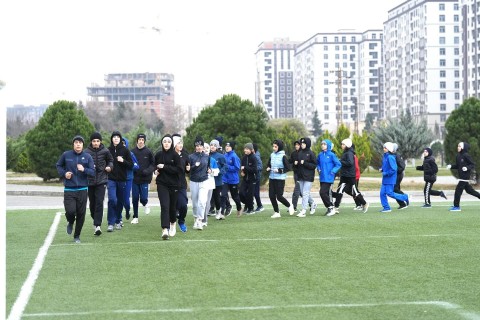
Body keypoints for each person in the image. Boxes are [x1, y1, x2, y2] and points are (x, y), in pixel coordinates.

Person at [56, 135, 95, 243]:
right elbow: (58, 165)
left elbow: (92, 172)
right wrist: (65, 174)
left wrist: (84, 169)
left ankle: (77, 236)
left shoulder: (88, 157)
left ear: (83, 145)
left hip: (82, 189)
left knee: (81, 214)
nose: (78, 144)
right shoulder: (66, 155)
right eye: (76, 142)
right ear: (73, 144)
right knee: (70, 211)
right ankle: (70, 221)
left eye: (80, 143)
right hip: (69, 189)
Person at [85, 132, 114, 236]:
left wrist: (109, 167)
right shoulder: (86, 152)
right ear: (91, 142)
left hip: (102, 180)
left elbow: (111, 161)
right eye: (94, 141)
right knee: (92, 204)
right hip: (90, 181)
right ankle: (95, 218)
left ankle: (98, 225)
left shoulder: (105, 151)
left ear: (100, 141)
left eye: (97, 141)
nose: (96, 143)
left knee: (99, 202)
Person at [154, 134, 183, 240]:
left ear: (171, 144)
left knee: (172, 207)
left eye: (168, 142)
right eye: (164, 141)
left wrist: (165, 167)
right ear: (162, 143)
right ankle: (165, 229)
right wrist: (155, 171)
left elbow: (179, 170)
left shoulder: (175, 155)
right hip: (162, 184)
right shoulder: (158, 155)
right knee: (164, 206)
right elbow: (153, 166)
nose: (166, 143)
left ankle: (173, 223)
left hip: (174, 184)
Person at [332, 138, 369, 215]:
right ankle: (336, 207)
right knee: (340, 190)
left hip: (349, 176)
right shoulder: (347, 152)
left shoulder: (349, 153)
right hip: (346, 175)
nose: (341, 145)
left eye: (343, 144)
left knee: (354, 191)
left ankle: (364, 203)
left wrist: (340, 161)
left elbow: (350, 163)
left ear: (347, 145)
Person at [106, 131, 134, 232]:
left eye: (118, 137)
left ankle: (118, 221)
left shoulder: (125, 150)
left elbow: (131, 165)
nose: (116, 139)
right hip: (111, 179)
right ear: (112, 139)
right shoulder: (108, 150)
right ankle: (110, 223)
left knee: (120, 201)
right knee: (112, 200)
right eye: (114, 137)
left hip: (122, 179)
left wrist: (123, 161)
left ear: (120, 139)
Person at [446, 142, 480, 211]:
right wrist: (451, 166)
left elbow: (472, 164)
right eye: (458, 146)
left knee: (458, 191)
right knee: (470, 191)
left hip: (464, 177)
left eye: (459, 146)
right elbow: (458, 166)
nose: (458, 147)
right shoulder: (458, 156)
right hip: (461, 177)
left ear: (463, 148)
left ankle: (456, 207)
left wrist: (467, 168)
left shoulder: (466, 155)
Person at [131, 133, 155, 224]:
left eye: (142, 140)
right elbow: (129, 163)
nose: (141, 141)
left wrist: (147, 171)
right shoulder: (132, 152)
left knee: (143, 198)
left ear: (144, 141)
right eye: (139, 139)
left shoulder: (148, 152)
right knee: (135, 198)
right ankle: (135, 217)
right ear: (137, 140)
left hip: (144, 179)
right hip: (134, 179)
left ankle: (145, 204)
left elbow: (153, 164)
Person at [188, 136, 211, 229]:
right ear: (195, 147)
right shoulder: (190, 157)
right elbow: (188, 170)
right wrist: (194, 166)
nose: (199, 147)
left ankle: (200, 220)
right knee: (195, 203)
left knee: (202, 202)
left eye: (200, 145)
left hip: (204, 181)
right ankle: (195, 218)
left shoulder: (207, 156)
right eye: (197, 146)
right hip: (194, 181)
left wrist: (209, 170)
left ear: (203, 146)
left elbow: (208, 167)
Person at [267, 139, 294, 218]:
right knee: (271, 196)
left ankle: (289, 206)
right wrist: (268, 167)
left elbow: (288, 167)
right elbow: (269, 164)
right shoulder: (272, 155)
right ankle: (277, 212)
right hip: (272, 178)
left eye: (275, 147)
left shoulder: (283, 156)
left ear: (279, 147)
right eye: (273, 146)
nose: (273, 148)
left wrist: (279, 170)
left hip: (280, 179)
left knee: (279, 197)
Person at [379, 142, 410, 213]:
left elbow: (394, 169)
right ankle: (386, 208)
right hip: (385, 179)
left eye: (385, 148)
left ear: (389, 149)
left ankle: (405, 197)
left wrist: (385, 173)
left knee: (389, 193)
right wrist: (382, 169)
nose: (383, 149)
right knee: (382, 193)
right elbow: (386, 167)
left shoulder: (390, 157)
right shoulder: (385, 156)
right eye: (384, 147)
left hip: (390, 179)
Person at [316, 139, 342, 216]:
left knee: (322, 193)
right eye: (322, 144)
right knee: (326, 193)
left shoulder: (331, 155)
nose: (322, 145)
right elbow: (317, 163)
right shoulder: (320, 155)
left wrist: (333, 171)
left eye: (324, 144)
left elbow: (338, 164)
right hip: (322, 177)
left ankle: (330, 207)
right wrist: (319, 168)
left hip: (329, 178)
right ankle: (330, 208)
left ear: (328, 145)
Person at [218, 141, 243, 219]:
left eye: (229, 146)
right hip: (225, 179)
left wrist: (227, 167)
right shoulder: (224, 155)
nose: (227, 147)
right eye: (226, 146)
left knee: (235, 196)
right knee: (223, 195)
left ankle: (239, 208)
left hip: (233, 180)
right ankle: (221, 213)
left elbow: (237, 168)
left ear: (232, 147)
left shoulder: (234, 156)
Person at [289, 140, 316, 214]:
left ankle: (303, 210)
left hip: (308, 176)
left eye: (304, 143)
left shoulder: (311, 153)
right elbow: (297, 164)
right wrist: (295, 163)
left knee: (305, 193)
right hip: (300, 176)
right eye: (302, 143)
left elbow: (314, 165)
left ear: (307, 144)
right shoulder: (300, 153)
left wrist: (305, 163)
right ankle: (313, 203)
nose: (302, 144)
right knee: (302, 192)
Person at [173, 134, 189, 232]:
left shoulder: (185, 155)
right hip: (170, 184)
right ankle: (172, 223)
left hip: (181, 184)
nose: (181, 145)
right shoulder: (169, 155)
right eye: (178, 143)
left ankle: (181, 221)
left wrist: (188, 169)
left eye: (181, 143)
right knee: (172, 207)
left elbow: (187, 169)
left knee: (183, 205)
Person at [122, 137, 139, 222]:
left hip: (128, 178)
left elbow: (136, 166)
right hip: (117, 179)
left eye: (124, 143)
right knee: (117, 198)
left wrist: (128, 165)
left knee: (126, 199)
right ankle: (118, 219)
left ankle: (128, 210)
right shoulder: (114, 154)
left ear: (126, 144)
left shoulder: (130, 154)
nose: (122, 145)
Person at [202, 143, 219, 226]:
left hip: (209, 183)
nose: (206, 149)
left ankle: (204, 219)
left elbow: (217, 171)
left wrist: (211, 171)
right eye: (204, 148)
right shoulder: (198, 158)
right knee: (200, 202)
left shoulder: (212, 160)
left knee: (207, 202)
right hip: (200, 183)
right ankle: (199, 217)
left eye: (207, 148)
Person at [209, 139, 226, 218]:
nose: (212, 147)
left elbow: (225, 166)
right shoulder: (206, 155)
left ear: (217, 147)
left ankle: (219, 211)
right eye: (211, 145)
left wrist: (219, 172)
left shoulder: (220, 156)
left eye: (214, 145)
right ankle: (207, 210)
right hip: (207, 180)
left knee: (216, 197)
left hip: (217, 180)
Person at [239, 143, 258, 214]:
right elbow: (242, 167)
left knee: (250, 195)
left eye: (247, 149)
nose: (245, 150)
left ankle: (251, 208)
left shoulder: (253, 157)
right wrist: (242, 172)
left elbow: (255, 170)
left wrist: (245, 168)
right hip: (245, 179)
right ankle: (248, 204)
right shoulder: (244, 157)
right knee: (241, 193)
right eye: (245, 149)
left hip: (252, 179)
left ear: (251, 150)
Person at [392, 143, 408, 209]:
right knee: (396, 189)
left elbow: (402, 166)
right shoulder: (392, 155)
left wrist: (396, 171)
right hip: (396, 175)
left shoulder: (397, 155)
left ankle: (405, 197)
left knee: (395, 189)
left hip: (398, 175)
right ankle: (402, 204)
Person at [252, 143, 264, 212]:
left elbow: (260, 166)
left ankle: (260, 205)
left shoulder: (256, 157)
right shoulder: (252, 155)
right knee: (252, 192)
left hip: (256, 177)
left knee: (256, 192)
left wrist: (254, 168)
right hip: (252, 177)